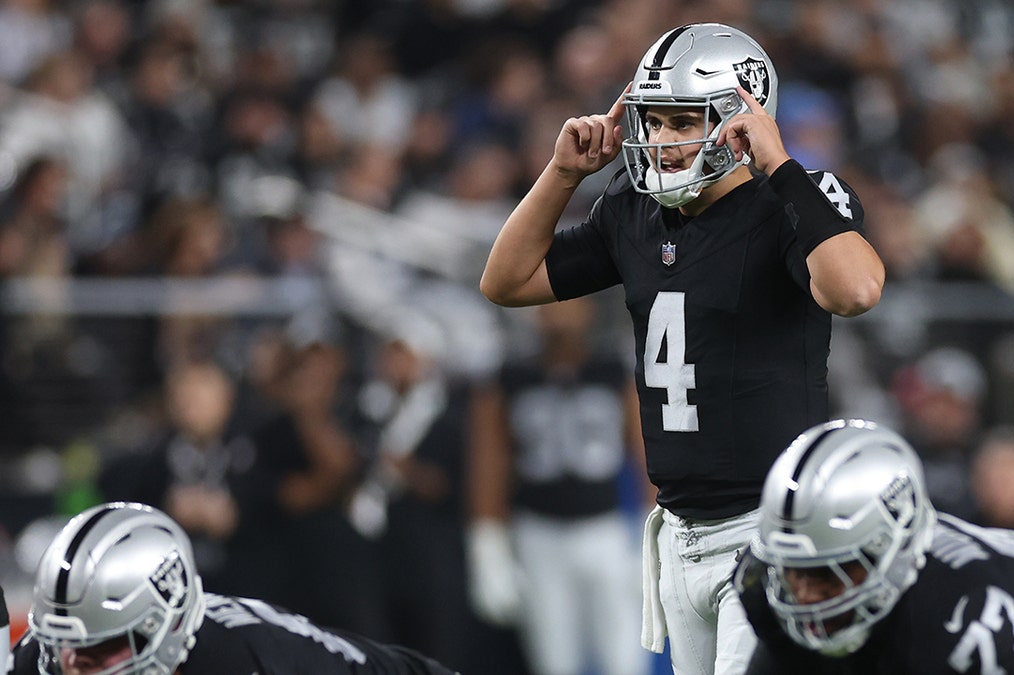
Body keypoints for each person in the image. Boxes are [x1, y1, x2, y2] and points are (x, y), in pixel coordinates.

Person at [479, 22, 884, 674]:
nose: (662, 141)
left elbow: (857, 289)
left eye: (681, 120)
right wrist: (560, 174)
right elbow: (506, 281)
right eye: (654, 120)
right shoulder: (632, 213)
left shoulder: (791, 200)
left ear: (740, 120)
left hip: (768, 530)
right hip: (679, 533)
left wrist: (778, 165)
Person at [734, 418, 1014, 674]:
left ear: (890, 552)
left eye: (828, 573)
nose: (805, 596)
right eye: (793, 571)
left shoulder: (966, 623)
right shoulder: (767, 588)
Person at [9, 501, 459, 675]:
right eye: (66, 647)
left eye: (100, 651)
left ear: (165, 631)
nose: (72, 668)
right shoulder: (41, 660)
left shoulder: (252, 660)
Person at [467, 296, 651, 675]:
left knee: (625, 656)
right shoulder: (511, 374)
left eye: (569, 304)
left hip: (606, 529)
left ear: (588, 309)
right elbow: (490, 460)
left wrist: (653, 531)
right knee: (554, 660)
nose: (558, 315)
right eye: (550, 305)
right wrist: (487, 543)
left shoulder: (611, 368)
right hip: (539, 531)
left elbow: (644, 450)